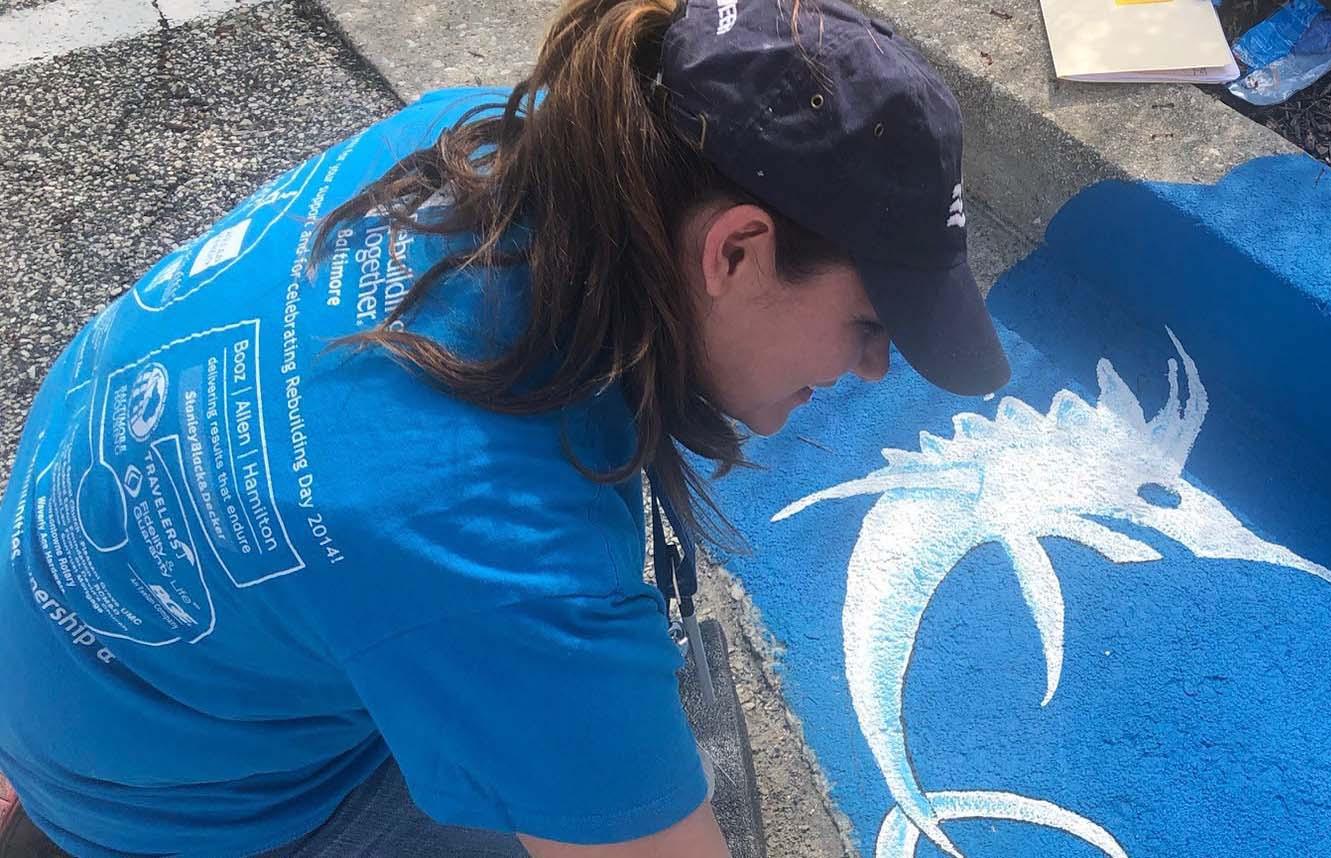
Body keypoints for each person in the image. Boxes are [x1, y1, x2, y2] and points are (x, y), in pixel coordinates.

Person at [0, 0, 1008, 853]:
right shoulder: (510, 567)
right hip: (183, 812)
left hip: (79, 650)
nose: (870, 369)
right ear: (735, 252)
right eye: (868, 325)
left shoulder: (474, 138)